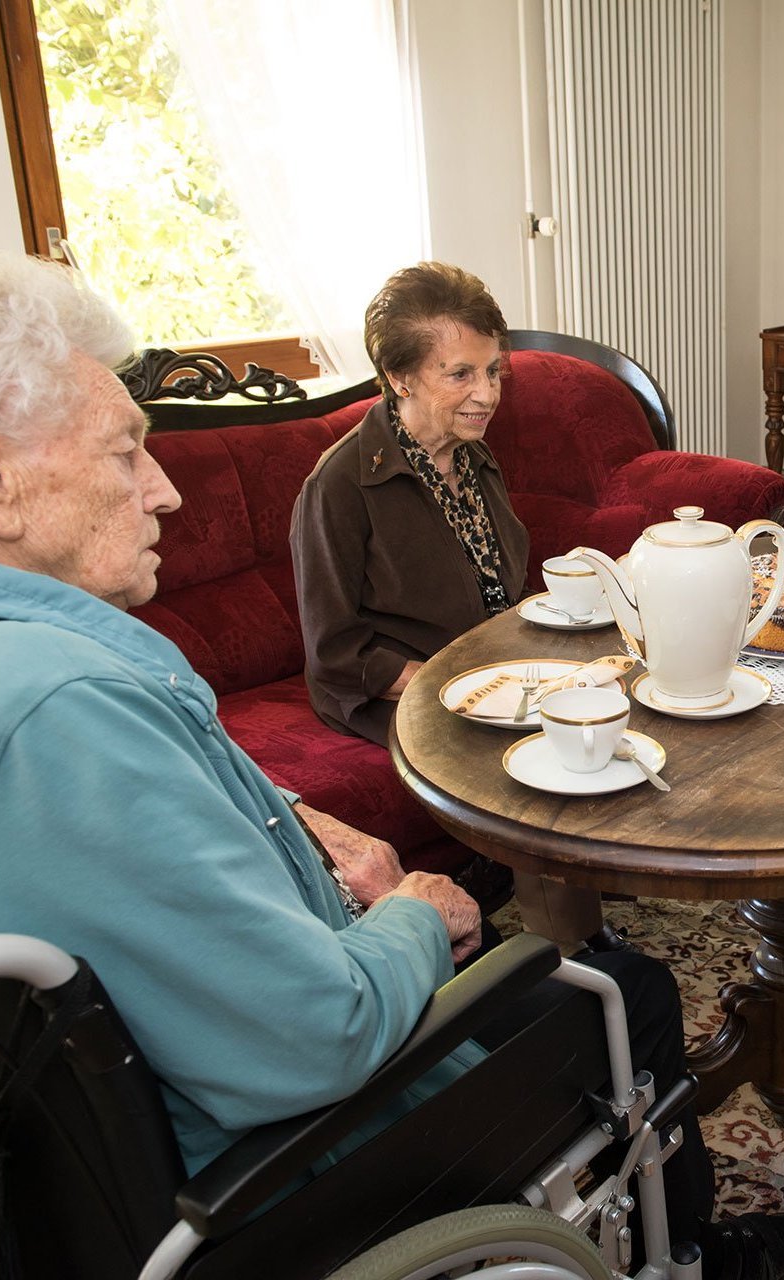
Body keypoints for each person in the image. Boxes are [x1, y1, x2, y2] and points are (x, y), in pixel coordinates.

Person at [0, 243, 784, 1279]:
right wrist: (420, 913)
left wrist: (292, 812)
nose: (163, 490)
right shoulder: (53, 711)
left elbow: (138, 819)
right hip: (301, 1161)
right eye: (124, 452)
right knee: (623, 988)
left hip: (188, 1095)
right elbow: (316, 1037)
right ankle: (685, 1253)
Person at [291, 262, 616, 956]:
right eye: (461, 374)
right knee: (526, 754)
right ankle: (564, 957)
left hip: (490, 664)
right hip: (387, 687)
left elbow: (500, 586)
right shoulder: (340, 486)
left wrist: (542, 651)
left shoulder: (472, 458)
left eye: (495, 372)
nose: (488, 394)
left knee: (606, 692)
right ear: (400, 376)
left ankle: (581, 920)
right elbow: (336, 653)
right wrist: (467, 683)